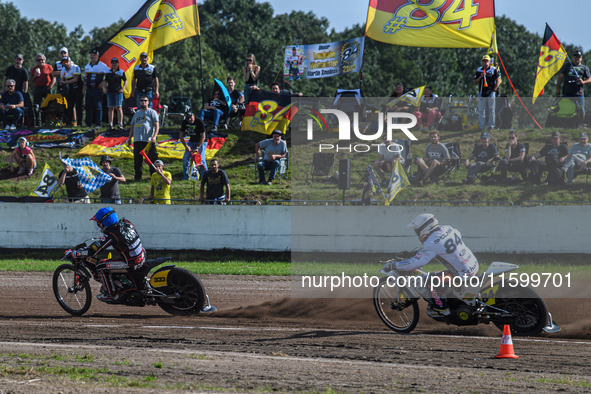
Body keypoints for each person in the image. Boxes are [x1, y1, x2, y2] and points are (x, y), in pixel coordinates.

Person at [385, 213, 479, 317]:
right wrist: (412, 254)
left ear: (423, 228)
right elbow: (439, 247)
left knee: (428, 280)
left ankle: (443, 310)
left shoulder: (431, 242)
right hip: (473, 265)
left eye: (416, 230)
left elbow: (416, 262)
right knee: (439, 277)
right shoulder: (448, 228)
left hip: (462, 274)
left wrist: (394, 265)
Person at [75, 207, 146, 302]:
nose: (99, 226)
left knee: (101, 266)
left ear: (105, 222)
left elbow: (93, 251)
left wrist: (76, 253)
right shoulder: (126, 223)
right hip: (142, 256)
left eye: (99, 223)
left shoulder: (112, 235)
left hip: (131, 263)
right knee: (112, 261)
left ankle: (112, 294)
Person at [556, 50, 591, 127]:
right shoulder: (567, 66)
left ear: (581, 58)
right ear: (572, 58)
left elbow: (589, 79)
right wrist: (558, 88)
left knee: (581, 109)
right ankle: (563, 123)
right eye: (575, 57)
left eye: (578, 57)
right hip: (567, 92)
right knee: (564, 107)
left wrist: (583, 82)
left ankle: (581, 124)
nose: (577, 59)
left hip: (578, 93)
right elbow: (560, 77)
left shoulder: (584, 68)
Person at [128, 95, 159, 181]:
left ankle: (153, 176)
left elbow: (157, 125)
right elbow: (132, 126)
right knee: (137, 161)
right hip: (137, 140)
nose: (143, 102)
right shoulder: (136, 113)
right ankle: (138, 177)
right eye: (142, 100)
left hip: (148, 140)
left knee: (152, 159)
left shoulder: (152, 112)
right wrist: (130, 138)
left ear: (148, 102)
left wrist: (154, 136)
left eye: (145, 100)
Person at [473, 54, 501, 131]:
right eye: (484, 61)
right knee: (481, 110)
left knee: (491, 109)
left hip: (491, 92)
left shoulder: (493, 69)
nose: (485, 63)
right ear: (482, 62)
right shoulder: (479, 70)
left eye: (487, 61)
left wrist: (494, 89)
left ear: (489, 62)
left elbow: (498, 80)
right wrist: (480, 77)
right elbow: (475, 82)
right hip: (482, 92)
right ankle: (481, 126)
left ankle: (491, 126)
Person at [84, 49, 110, 127]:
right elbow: (84, 78)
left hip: (97, 89)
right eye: (91, 55)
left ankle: (99, 123)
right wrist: (83, 88)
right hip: (89, 89)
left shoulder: (103, 65)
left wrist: (104, 82)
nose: (92, 56)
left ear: (97, 56)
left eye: (94, 55)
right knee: (88, 106)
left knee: (98, 106)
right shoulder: (87, 66)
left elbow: (110, 74)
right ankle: (89, 123)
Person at [179, 112, 207, 180]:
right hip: (191, 141)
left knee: (201, 159)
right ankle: (186, 177)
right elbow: (181, 135)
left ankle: (205, 177)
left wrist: (198, 147)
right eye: (188, 118)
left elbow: (203, 136)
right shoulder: (185, 122)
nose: (189, 119)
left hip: (201, 141)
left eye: (190, 117)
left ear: (193, 116)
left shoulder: (199, 122)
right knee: (185, 158)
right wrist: (186, 146)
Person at [59, 56, 83, 127]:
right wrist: (64, 82)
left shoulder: (75, 67)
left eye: (66, 62)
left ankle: (79, 123)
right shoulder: (63, 70)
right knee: (69, 106)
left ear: (69, 61)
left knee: (79, 106)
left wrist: (65, 82)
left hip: (78, 88)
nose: (65, 64)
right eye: (63, 62)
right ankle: (68, 122)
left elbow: (75, 79)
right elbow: (61, 80)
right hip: (70, 89)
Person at [104, 57, 127, 129]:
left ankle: (120, 123)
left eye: (115, 63)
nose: (114, 64)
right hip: (110, 91)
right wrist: (104, 88)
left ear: (118, 63)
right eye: (113, 63)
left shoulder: (121, 72)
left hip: (118, 91)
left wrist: (123, 88)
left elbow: (125, 80)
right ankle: (110, 123)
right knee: (110, 107)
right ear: (111, 64)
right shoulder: (108, 72)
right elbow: (105, 81)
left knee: (119, 107)